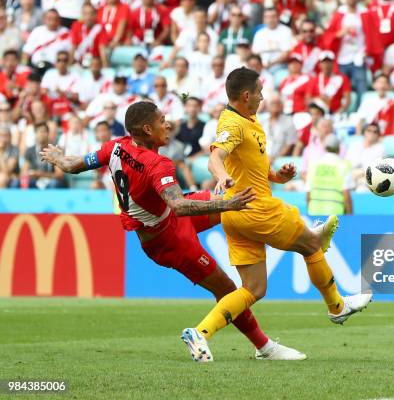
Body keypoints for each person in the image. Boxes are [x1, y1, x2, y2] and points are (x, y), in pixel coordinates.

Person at [40, 100, 306, 362]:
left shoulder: (115, 146)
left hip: (166, 222)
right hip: (169, 241)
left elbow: (74, 166)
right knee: (226, 288)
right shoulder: (158, 165)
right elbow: (179, 205)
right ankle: (264, 347)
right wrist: (227, 203)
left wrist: (58, 158)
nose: (168, 124)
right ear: (147, 129)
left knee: (238, 200)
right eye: (161, 121)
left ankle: (303, 234)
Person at [201, 67, 372, 361]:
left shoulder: (248, 119)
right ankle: (336, 306)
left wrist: (276, 176)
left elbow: (250, 167)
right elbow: (215, 157)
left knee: (254, 288)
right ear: (245, 96)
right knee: (312, 244)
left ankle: (200, 333)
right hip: (255, 208)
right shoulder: (233, 123)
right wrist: (221, 177)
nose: (263, 97)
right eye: (259, 92)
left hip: (234, 214)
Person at [306, 133, 354, 215]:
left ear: (325, 148)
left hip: (314, 213)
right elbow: (346, 195)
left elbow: (308, 193)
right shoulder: (344, 165)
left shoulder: (314, 165)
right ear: (339, 149)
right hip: (335, 214)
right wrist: (350, 216)